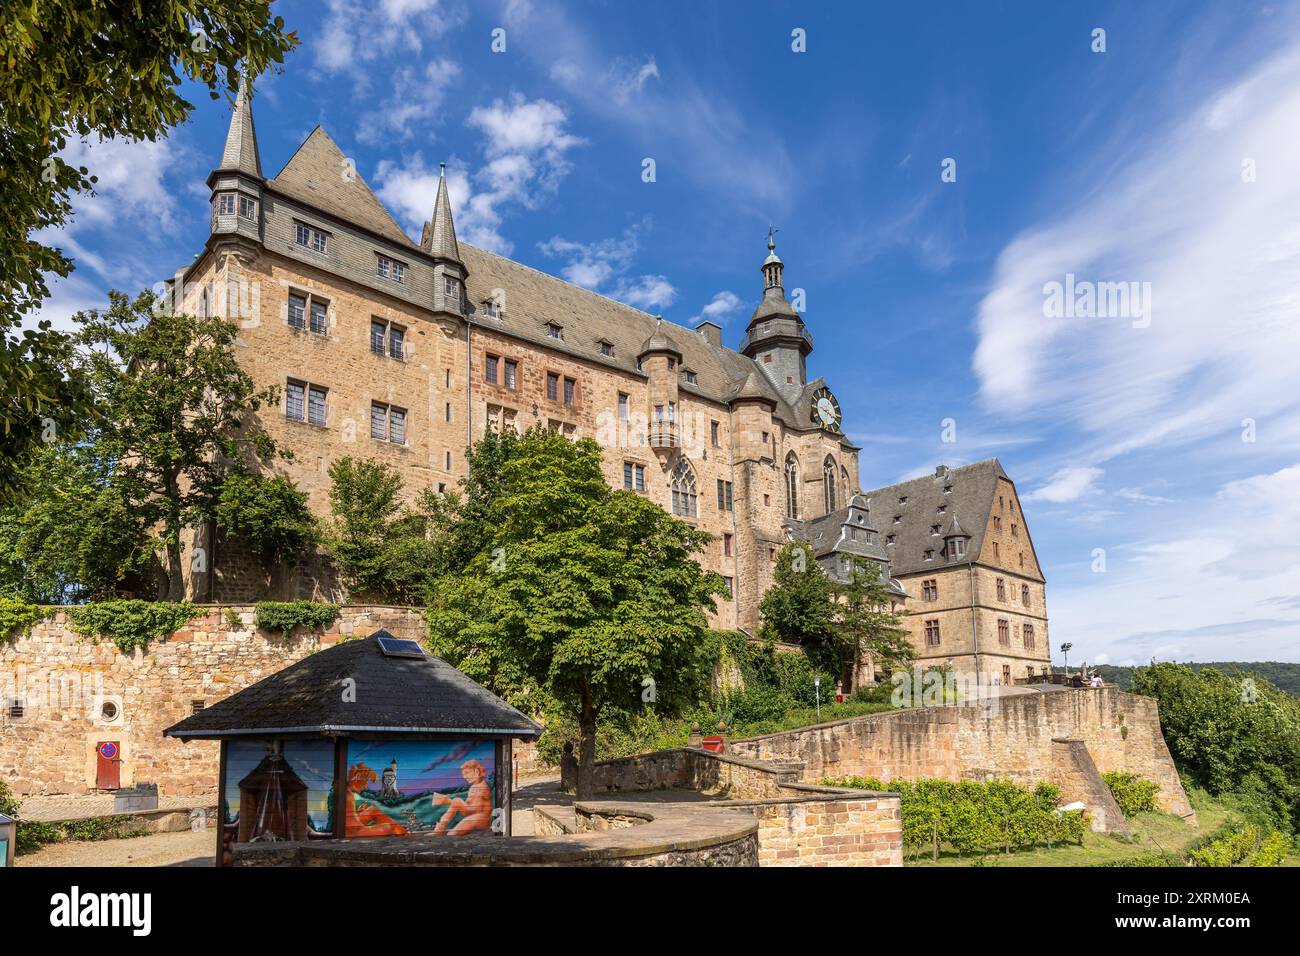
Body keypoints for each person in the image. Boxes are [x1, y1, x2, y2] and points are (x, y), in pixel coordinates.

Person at [432, 758, 493, 835]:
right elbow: (468, 810)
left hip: (481, 819)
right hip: (475, 817)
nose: (465, 777)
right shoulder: (474, 787)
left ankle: (440, 829)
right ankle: (440, 829)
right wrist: (456, 803)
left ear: (476, 772)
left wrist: (449, 801)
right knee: (456, 802)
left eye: (467, 773)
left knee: (452, 834)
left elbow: (473, 809)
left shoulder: (482, 787)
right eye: (464, 774)